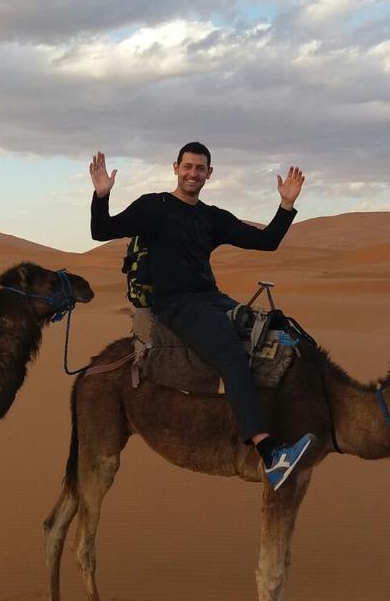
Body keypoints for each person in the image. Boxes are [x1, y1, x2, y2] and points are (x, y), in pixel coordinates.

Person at [89, 142, 315, 491]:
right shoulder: (154, 207)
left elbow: (267, 241)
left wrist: (286, 205)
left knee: (275, 329)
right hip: (174, 304)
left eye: (200, 168)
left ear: (210, 173)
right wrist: (101, 195)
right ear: (175, 168)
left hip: (211, 298)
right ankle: (269, 454)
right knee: (229, 351)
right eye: (188, 167)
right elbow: (102, 230)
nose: (193, 173)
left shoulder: (212, 217)